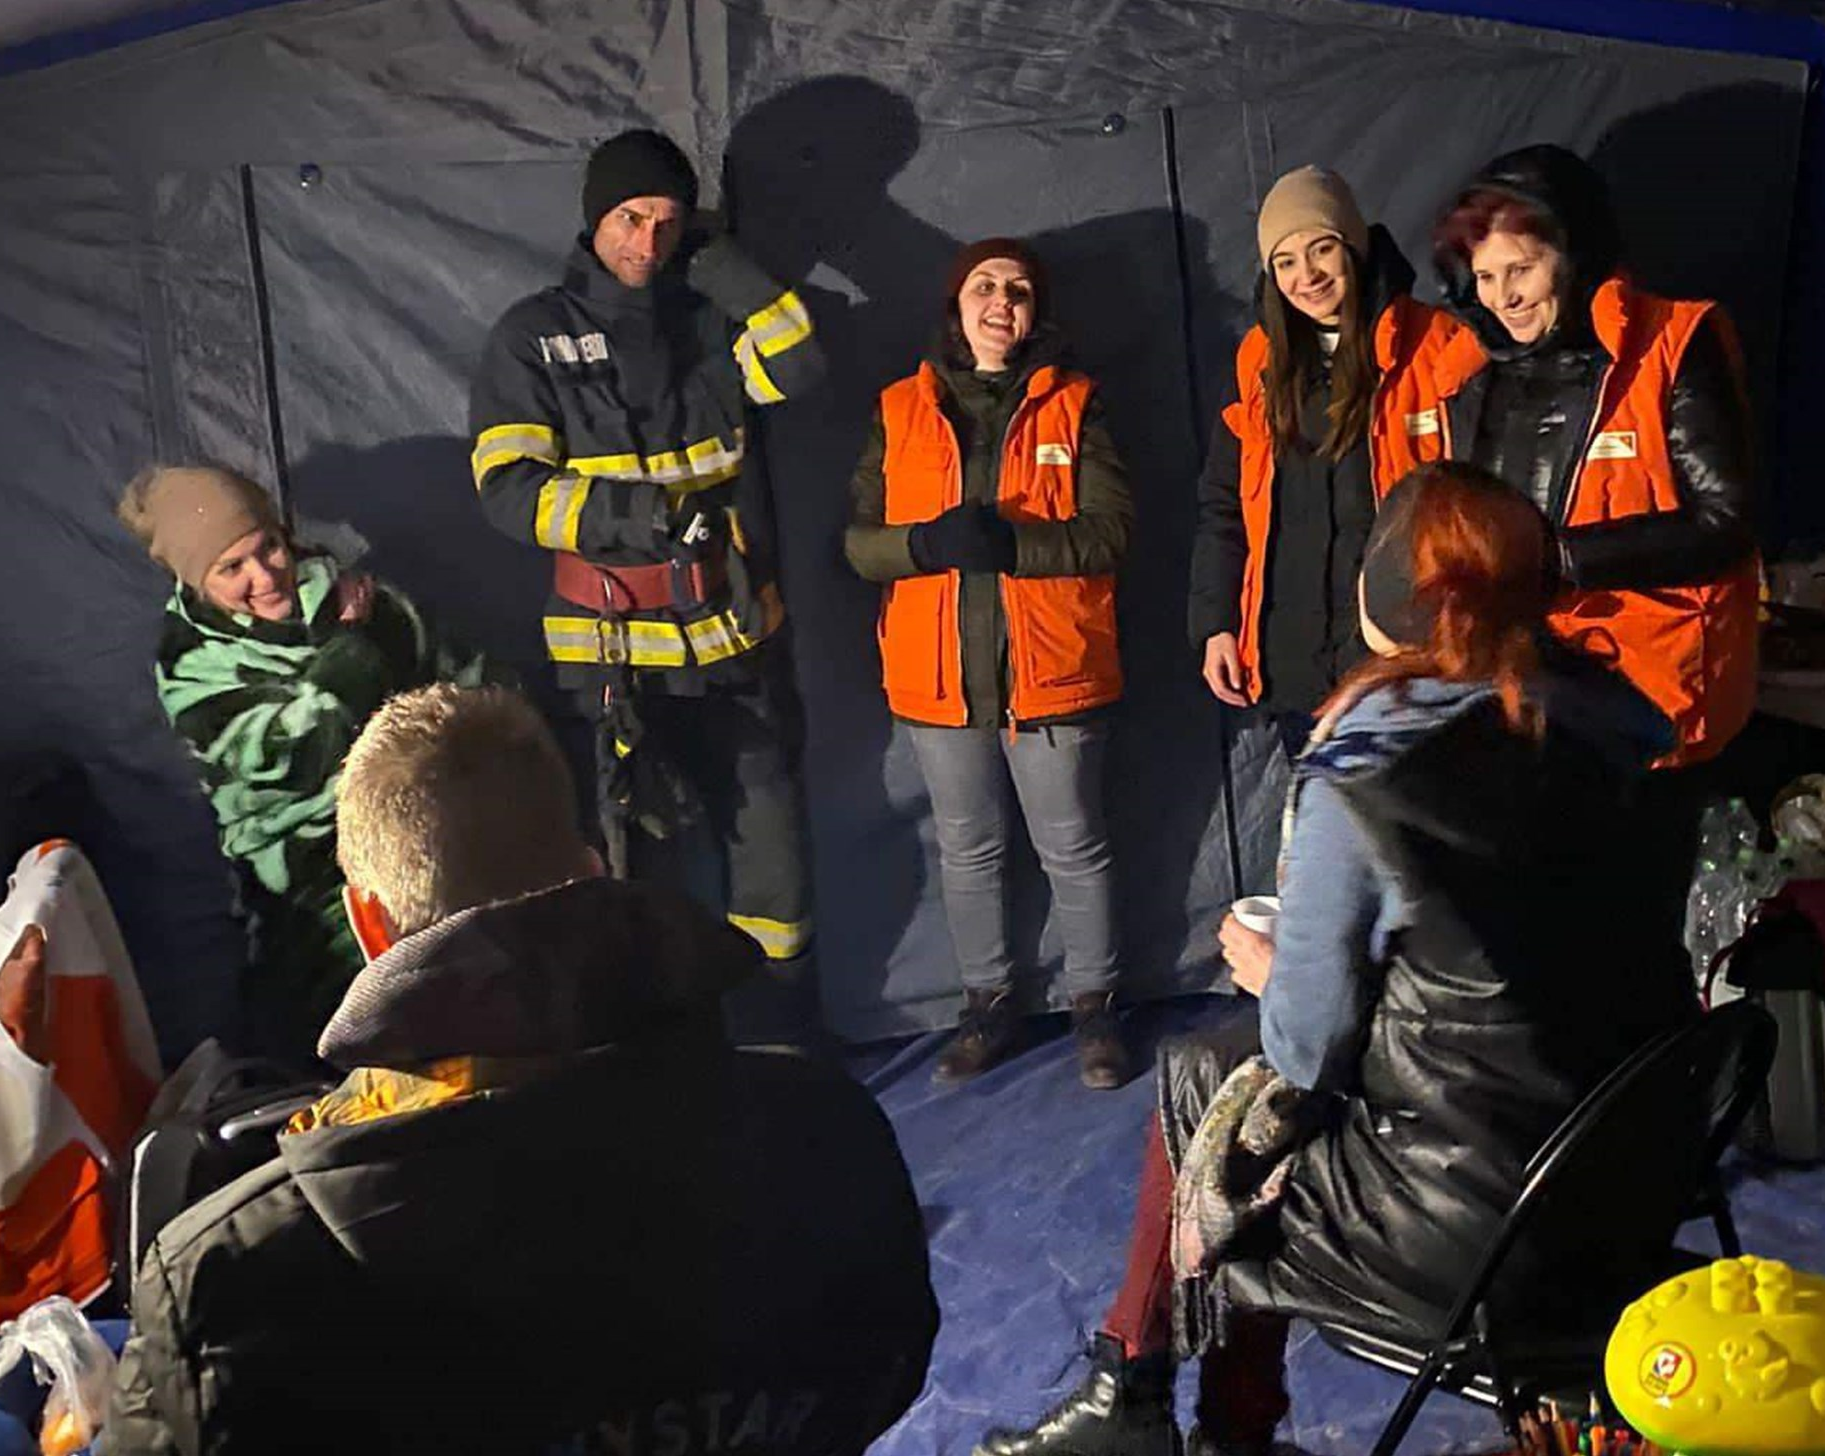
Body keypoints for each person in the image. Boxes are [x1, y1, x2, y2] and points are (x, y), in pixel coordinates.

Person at [974, 465, 1696, 1456]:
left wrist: (1277, 972)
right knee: (1226, 1073)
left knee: (1213, 1078)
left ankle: (1186, 1415)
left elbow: (1305, 1051)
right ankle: (1137, 1393)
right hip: (1634, 1180)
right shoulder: (1623, 736)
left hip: (1466, 1229)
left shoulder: (1369, 771)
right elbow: (1528, 968)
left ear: (1392, 588)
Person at [102, 683, 939, 1456]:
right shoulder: (829, 1136)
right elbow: (880, 1377)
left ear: (369, 923)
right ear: (589, 872)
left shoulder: (228, 1285)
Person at [468, 128, 824, 1036]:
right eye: (632, 219)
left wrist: (722, 261)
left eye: (669, 223)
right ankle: (656, 1055)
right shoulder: (533, 337)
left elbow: (800, 362)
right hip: (615, 662)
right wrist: (636, 519)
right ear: (595, 219)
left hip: (733, 638)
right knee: (636, 868)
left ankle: (779, 1037)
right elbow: (506, 491)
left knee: (772, 854)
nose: (648, 243)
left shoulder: (708, 315)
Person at [844, 238, 1135, 1088]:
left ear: (1036, 311)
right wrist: (923, 544)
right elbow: (860, 545)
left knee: (1074, 846)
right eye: (984, 286)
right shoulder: (898, 407)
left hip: (1054, 670)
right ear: (956, 305)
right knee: (968, 852)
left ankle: (1097, 1008)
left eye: (1017, 290)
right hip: (939, 679)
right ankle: (988, 1005)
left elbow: (1110, 530)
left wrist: (1017, 544)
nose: (1001, 301)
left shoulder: (1077, 404)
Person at [118, 463, 485, 1057]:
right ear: (195, 581)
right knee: (337, 1030)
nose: (264, 577)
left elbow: (471, 687)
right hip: (304, 874)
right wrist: (351, 654)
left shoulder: (365, 601)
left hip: (426, 839)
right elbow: (296, 753)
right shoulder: (193, 665)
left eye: (268, 548)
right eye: (231, 568)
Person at [1431, 143, 1759, 771]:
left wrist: (1561, 560)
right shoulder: (1465, 378)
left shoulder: (1670, 343)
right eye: (1486, 276)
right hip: (1514, 694)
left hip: (1646, 698)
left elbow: (1726, 521)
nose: (1504, 296)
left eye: (1522, 268)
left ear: (1574, 259)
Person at [1191, 164, 1480, 764]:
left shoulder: (1438, 346)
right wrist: (1217, 623)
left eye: (1322, 248)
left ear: (1354, 245)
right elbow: (1224, 505)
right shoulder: (1258, 363)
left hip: (1402, 668)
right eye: (1287, 261)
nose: (1308, 276)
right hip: (1294, 667)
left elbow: (1480, 514)